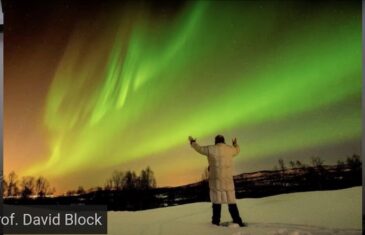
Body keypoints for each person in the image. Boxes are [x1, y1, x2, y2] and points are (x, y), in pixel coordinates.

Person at [188, 135, 246, 227]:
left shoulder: (211, 149)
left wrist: (193, 142)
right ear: (223, 141)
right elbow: (237, 150)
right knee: (231, 201)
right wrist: (235, 144)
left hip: (216, 181)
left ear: (216, 141)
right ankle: (237, 220)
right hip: (228, 180)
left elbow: (199, 149)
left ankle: (215, 223)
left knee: (217, 201)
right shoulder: (230, 149)